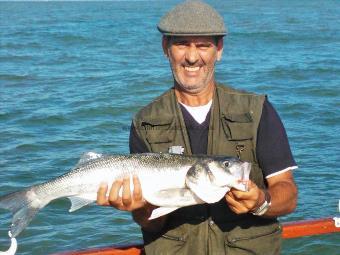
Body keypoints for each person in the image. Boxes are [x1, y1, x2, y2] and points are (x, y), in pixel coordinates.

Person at [97, 1, 298, 254]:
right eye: (182, 44)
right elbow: (150, 221)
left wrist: (260, 201)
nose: (192, 57)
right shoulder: (145, 121)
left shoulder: (256, 111)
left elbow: (288, 194)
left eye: (203, 45)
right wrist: (139, 207)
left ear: (219, 50)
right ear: (166, 49)